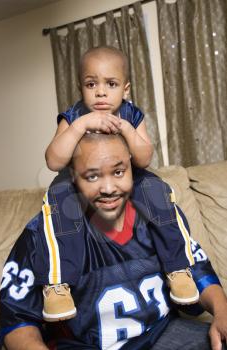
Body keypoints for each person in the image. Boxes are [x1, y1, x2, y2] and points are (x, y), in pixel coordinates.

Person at [0, 133, 227, 350]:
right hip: (83, 345)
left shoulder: (161, 219)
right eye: (92, 176)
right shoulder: (45, 233)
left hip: (160, 333)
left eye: (118, 172)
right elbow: (17, 322)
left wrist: (222, 313)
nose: (108, 189)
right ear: (73, 176)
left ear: (131, 168)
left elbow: (198, 272)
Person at [41, 46, 198, 322]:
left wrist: (126, 129)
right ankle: (57, 284)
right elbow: (53, 161)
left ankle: (178, 268)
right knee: (58, 196)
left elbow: (145, 157)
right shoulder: (74, 115)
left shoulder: (131, 115)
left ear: (125, 89)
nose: (101, 92)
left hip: (125, 177)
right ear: (81, 88)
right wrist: (79, 126)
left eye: (110, 84)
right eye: (92, 84)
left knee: (157, 190)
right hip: (80, 180)